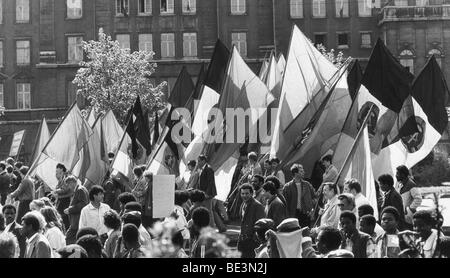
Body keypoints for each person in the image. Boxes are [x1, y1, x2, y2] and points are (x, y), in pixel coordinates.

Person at [237, 184, 265, 258]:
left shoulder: (257, 206)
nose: (244, 195)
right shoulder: (243, 204)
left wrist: (254, 239)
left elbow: (260, 225)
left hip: (251, 241)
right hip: (242, 240)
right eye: (242, 193)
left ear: (252, 193)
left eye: (247, 193)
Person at [64, 175, 89, 245]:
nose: (68, 187)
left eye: (68, 184)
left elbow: (83, 204)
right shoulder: (80, 189)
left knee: (69, 239)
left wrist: (70, 209)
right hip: (77, 221)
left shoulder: (80, 190)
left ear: (72, 182)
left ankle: (74, 255)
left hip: (77, 221)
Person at [197, 155, 217, 228]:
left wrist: (207, 193)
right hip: (203, 193)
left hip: (207, 194)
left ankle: (212, 228)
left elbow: (210, 182)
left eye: (199, 161)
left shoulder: (208, 169)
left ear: (203, 161)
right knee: (209, 211)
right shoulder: (202, 169)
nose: (198, 162)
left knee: (209, 211)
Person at [51, 163, 71, 230]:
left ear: (62, 170)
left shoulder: (66, 178)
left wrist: (56, 191)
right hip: (60, 202)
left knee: (64, 220)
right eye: (56, 171)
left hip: (65, 203)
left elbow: (65, 189)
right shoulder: (60, 180)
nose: (56, 173)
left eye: (58, 171)